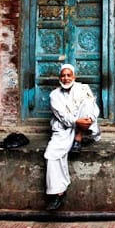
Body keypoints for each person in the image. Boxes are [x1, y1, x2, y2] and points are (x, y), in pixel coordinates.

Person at [43, 63, 101, 211]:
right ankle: (58, 194)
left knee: (88, 103)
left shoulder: (83, 89)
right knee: (51, 155)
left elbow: (94, 111)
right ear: (59, 78)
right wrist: (76, 121)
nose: (66, 78)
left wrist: (87, 121)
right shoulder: (54, 95)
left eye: (69, 75)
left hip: (83, 128)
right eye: (63, 75)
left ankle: (78, 138)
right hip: (63, 129)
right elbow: (62, 117)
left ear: (74, 77)